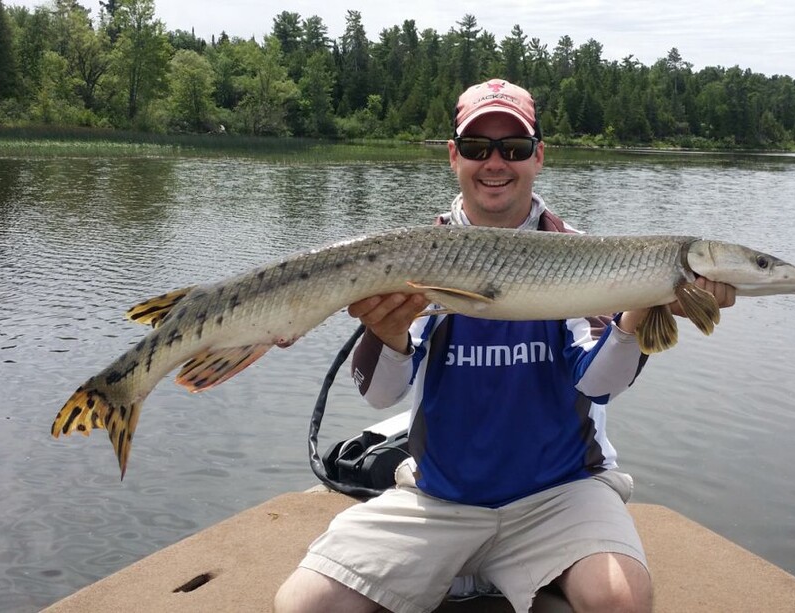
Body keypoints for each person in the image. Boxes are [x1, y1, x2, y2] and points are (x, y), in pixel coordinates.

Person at [275, 78, 736, 613]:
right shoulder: (420, 254)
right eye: (477, 148)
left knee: (620, 601)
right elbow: (382, 398)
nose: (495, 162)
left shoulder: (584, 257)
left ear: (538, 156)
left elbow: (598, 385)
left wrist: (637, 313)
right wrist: (387, 332)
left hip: (560, 495)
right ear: (454, 156)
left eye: (514, 148)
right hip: (439, 498)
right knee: (304, 605)